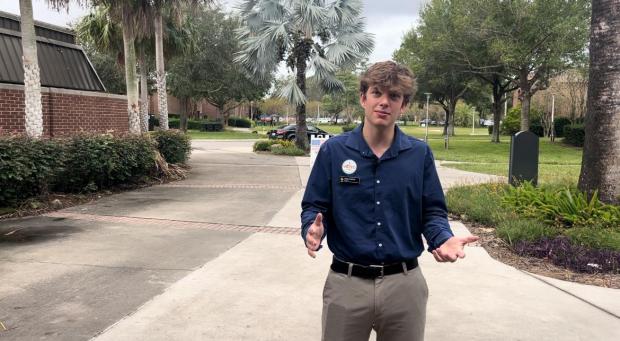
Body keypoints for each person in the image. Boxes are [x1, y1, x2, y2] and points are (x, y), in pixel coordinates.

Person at [300, 61, 479, 341]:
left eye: (394, 96)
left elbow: (432, 211)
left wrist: (442, 238)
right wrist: (312, 228)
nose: (384, 102)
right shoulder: (334, 151)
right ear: (363, 98)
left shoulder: (419, 155)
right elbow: (314, 206)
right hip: (346, 284)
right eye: (376, 93)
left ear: (403, 105)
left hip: (404, 286)